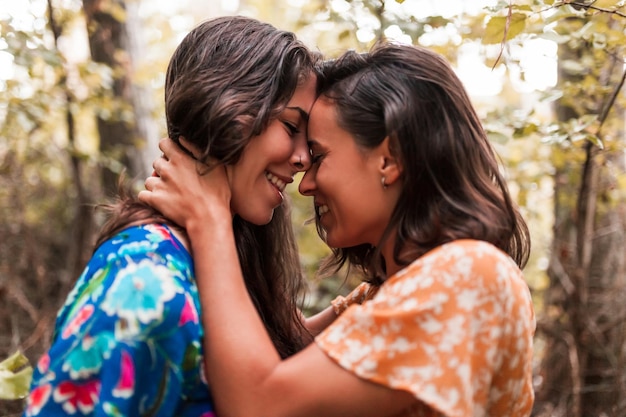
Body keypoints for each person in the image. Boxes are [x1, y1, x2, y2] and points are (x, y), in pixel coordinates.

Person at [140, 41, 536, 417]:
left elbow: (261, 404)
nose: (306, 183)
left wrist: (208, 220)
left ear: (390, 159)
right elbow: (276, 348)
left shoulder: (468, 276)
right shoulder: (386, 295)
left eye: (319, 156)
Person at [22, 15, 326, 416]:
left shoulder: (223, 250)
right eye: (291, 127)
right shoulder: (145, 281)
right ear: (230, 106)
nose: (304, 159)